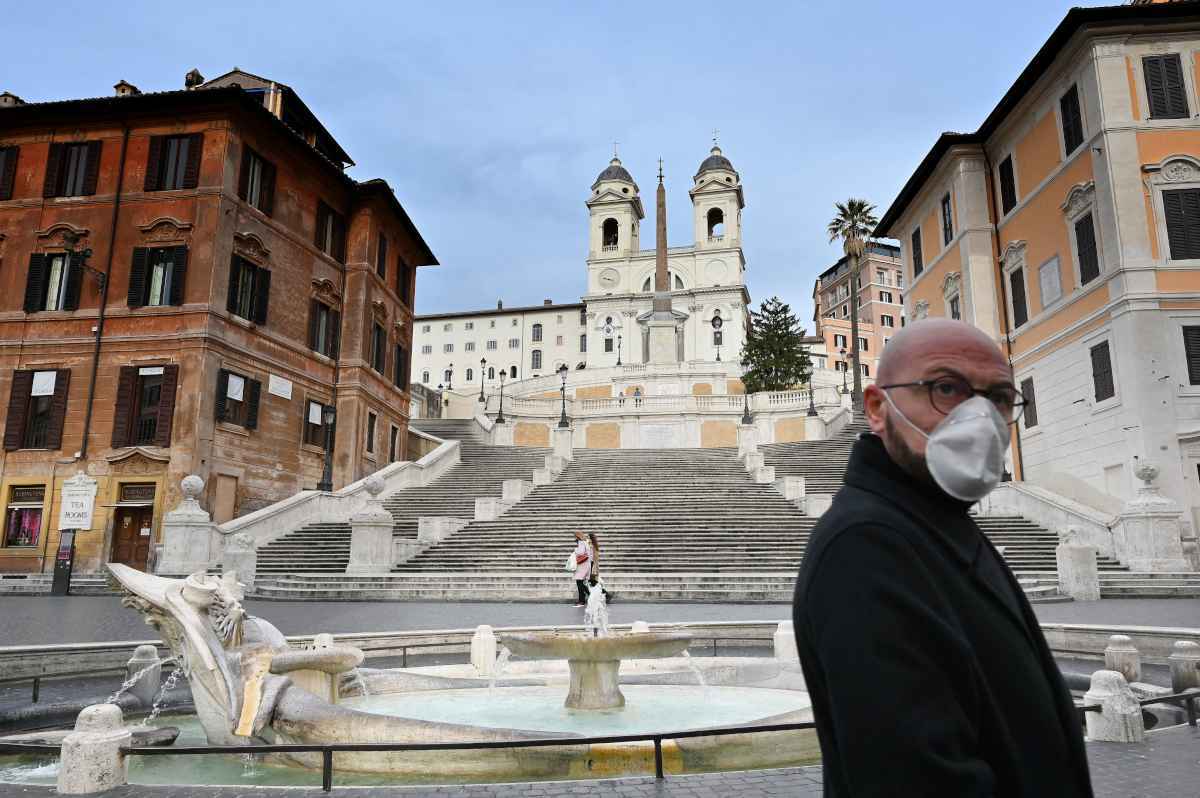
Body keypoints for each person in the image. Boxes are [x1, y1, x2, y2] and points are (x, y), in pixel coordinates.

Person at [792, 319, 1093, 797]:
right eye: (946, 388)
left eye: (998, 398)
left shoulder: (937, 520)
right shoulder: (866, 547)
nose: (979, 416)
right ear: (876, 408)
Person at [587, 533, 614, 603]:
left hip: (592, 565)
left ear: (591, 539)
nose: (587, 539)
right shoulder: (591, 546)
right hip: (590, 564)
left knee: (593, 582)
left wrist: (594, 567)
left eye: (588, 537)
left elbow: (595, 558)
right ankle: (604, 595)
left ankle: (606, 594)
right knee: (592, 582)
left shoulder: (592, 546)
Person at [570, 531, 591, 607]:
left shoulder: (581, 542)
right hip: (586, 564)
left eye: (575, 536)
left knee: (579, 582)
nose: (575, 538)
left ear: (578, 536)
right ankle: (584, 599)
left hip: (582, 564)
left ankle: (583, 600)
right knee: (580, 582)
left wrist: (575, 550)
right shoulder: (585, 542)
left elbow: (581, 552)